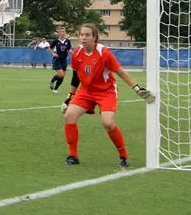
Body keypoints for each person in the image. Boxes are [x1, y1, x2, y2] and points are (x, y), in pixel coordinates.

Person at [60, 24, 156, 168]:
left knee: (108, 123)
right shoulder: (76, 53)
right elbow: (75, 77)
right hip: (86, 91)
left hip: (106, 91)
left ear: (95, 37)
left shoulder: (104, 53)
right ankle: (73, 156)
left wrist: (137, 89)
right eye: (81, 35)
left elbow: (121, 72)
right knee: (69, 115)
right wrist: (69, 97)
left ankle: (123, 156)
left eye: (87, 35)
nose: (84, 38)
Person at [48, 27, 72, 94]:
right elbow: (50, 48)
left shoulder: (68, 41)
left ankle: (55, 89)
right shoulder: (56, 41)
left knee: (62, 76)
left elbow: (69, 49)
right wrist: (53, 53)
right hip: (57, 59)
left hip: (64, 60)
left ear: (65, 33)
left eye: (63, 31)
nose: (62, 33)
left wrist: (72, 52)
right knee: (61, 74)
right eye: (61, 31)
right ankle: (52, 81)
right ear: (59, 33)